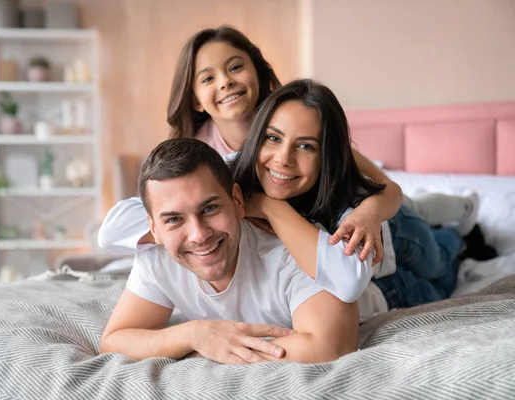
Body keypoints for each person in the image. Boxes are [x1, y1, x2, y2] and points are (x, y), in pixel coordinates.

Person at [98, 26, 404, 265]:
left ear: (258, 72)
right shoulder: (196, 156)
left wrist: (370, 212)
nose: (225, 82)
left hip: (386, 222)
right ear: (194, 99)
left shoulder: (298, 122)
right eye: (207, 78)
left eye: (234, 68)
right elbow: (132, 222)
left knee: (426, 223)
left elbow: (387, 187)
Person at [229, 79, 487, 321]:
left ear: (326, 156)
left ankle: (462, 224)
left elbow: (391, 190)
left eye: (306, 146)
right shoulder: (231, 179)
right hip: (372, 267)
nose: (283, 159)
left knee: (435, 261)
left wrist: (370, 212)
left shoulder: (341, 187)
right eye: (273, 138)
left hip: (393, 230)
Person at [99, 138, 373, 364]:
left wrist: (207, 353)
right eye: (173, 219)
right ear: (153, 228)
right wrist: (194, 335)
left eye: (209, 208)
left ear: (238, 200)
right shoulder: (156, 254)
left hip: (390, 276)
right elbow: (114, 341)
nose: (198, 235)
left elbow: (329, 348)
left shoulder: (292, 252)